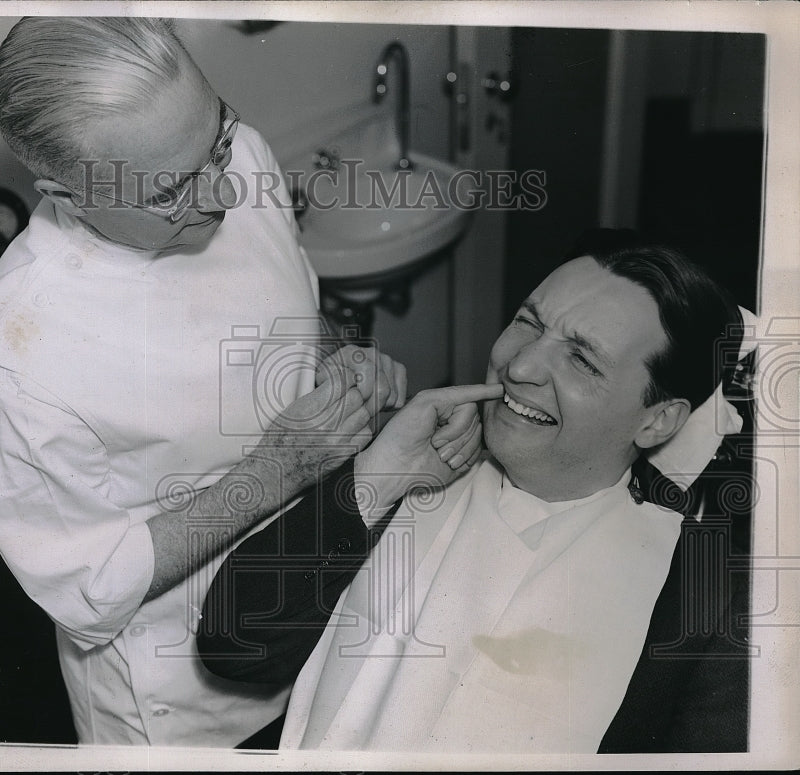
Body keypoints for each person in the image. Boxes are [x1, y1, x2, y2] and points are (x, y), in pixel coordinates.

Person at [0, 16, 410, 747]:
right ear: (68, 196)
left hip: (322, 606)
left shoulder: (245, 159)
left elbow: (289, 309)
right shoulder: (21, 359)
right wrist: (280, 466)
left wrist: (338, 358)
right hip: (193, 707)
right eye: (169, 191)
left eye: (218, 142)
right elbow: (89, 587)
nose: (222, 196)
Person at [197, 231, 752, 753]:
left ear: (657, 421)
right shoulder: (417, 465)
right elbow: (232, 648)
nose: (520, 364)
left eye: (581, 359)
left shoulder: (702, 595)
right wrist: (374, 478)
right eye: (527, 323)